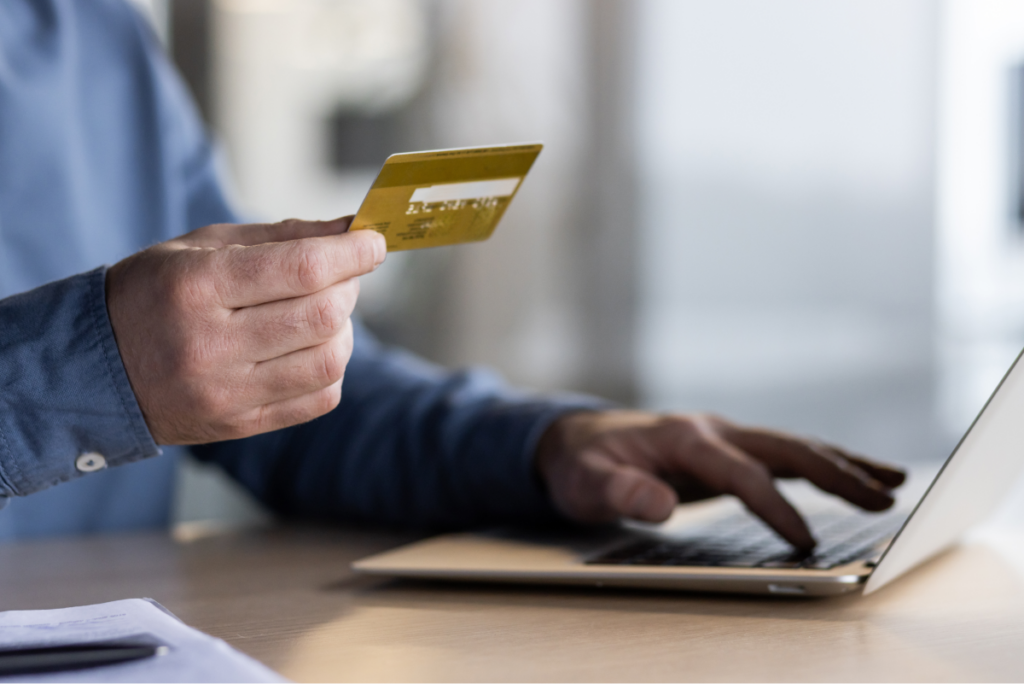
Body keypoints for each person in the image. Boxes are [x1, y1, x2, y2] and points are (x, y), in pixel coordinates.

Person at [0, 0, 905, 547]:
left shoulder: (92, 28)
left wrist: (542, 446)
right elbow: (132, 364)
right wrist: (80, 374)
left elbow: (269, 406)